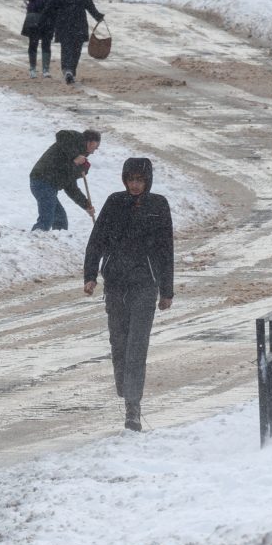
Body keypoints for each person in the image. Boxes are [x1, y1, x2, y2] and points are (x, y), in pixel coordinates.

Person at [83, 157, 174, 432]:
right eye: (131, 180)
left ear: (148, 182)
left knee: (137, 347)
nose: (135, 185)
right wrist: (90, 275)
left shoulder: (158, 206)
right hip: (116, 286)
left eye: (140, 180)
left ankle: (133, 408)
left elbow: (166, 249)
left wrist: (167, 290)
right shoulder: (114, 203)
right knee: (119, 346)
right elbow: (96, 239)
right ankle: (126, 390)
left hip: (145, 286)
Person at [43, 0, 104, 85]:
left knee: (77, 50)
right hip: (64, 24)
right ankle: (67, 71)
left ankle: (71, 71)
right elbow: (51, 6)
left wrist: (97, 16)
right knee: (66, 49)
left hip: (79, 24)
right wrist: (44, 18)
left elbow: (89, 5)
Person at [29, 127, 100, 230]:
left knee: (60, 220)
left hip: (48, 185)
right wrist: (75, 160)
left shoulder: (76, 159)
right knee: (47, 218)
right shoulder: (71, 141)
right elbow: (62, 135)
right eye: (95, 147)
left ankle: (56, 242)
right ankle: (35, 241)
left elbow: (71, 188)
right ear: (90, 142)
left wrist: (86, 205)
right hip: (42, 180)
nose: (94, 151)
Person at [22, 0, 57, 78]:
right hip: (34, 17)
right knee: (33, 43)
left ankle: (46, 69)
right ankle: (32, 69)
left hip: (49, 18)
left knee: (46, 44)